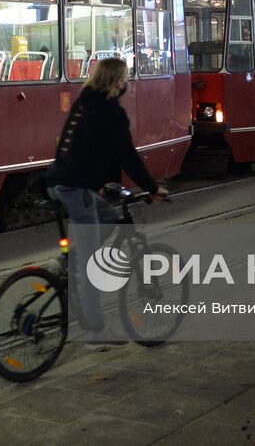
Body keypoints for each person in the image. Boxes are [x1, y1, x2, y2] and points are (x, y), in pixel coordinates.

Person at [44, 57, 166, 330]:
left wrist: (106, 184)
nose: (126, 83)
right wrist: (152, 187)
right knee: (92, 266)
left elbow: (96, 149)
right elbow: (126, 155)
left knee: (109, 216)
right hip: (75, 187)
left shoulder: (85, 101)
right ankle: (94, 331)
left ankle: (66, 260)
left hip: (56, 182)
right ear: (114, 81)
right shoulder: (111, 111)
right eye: (124, 78)